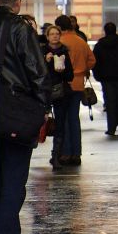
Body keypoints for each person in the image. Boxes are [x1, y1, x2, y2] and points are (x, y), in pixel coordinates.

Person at [0, 0, 51, 234]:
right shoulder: (20, 28)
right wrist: (43, 106)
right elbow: (37, 72)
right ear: (17, 2)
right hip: (15, 114)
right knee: (14, 179)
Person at [55, 15, 95, 166]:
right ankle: (76, 153)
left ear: (59, 27)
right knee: (73, 119)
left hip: (63, 84)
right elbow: (92, 60)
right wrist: (82, 70)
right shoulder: (80, 41)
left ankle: (65, 153)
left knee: (63, 120)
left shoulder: (60, 43)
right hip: (78, 84)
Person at [41, 25, 73, 170]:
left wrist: (62, 69)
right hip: (45, 91)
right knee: (41, 121)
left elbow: (70, 75)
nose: (54, 36)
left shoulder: (64, 52)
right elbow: (36, 72)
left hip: (61, 92)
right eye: (51, 34)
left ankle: (56, 156)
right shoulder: (41, 51)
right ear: (47, 37)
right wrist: (45, 62)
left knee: (60, 124)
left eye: (56, 34)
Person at [92, 22, 118, 136]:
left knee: (110, 103)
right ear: (115, 30)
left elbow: (95, 62)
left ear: (105, 31)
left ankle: (111, 128)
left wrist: (98, 75)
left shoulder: (100, 45)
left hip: (106, 79)